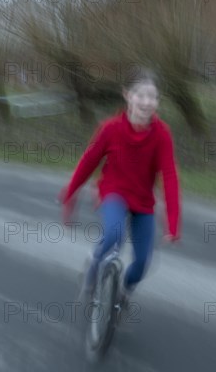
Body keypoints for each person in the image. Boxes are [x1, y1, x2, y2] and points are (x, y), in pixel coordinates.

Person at [58, 68, 181, 306]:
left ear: (158, 100)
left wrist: (173, 223)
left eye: (152, 97)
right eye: (140, 95)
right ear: (127, 95)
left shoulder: (162, 135)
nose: (147, 102)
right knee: (114, 235)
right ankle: (93, 267)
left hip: (143, 201)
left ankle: (124, 291)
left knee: (143, 262)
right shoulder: (111, 129)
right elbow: (88, 162)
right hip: (113, 192)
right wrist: (70, 192)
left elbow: (169, 176)